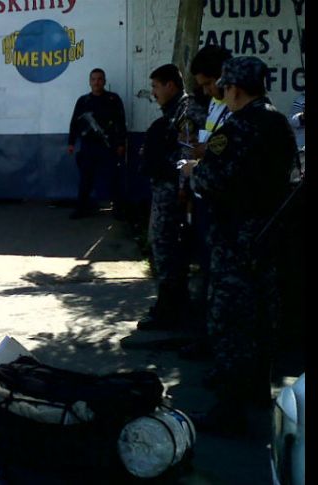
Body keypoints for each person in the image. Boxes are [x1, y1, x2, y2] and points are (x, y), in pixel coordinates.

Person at [182, 56, 298, 434]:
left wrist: (193, 172)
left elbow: (212, 180)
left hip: (235, 241)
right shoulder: (278, 123)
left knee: (230, 322)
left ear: (234, 89)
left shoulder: (236, 127)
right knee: (263, 317)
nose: (222, 94)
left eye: (224, 88)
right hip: (271, 238)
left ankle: (229, 412)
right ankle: (259, 392)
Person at [177, 45, 234, 360]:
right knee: (206, 272)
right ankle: (206, 336)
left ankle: (217, 343)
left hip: (223, 207)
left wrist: (205, 152)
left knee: (220, 279)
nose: (207, 91)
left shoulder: (240, 109)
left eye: (210, 83)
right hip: (204, 197)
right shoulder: (215, 103)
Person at [136, 64, 195, 331]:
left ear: (170, 85)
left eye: (156, 86)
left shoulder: (185, 111)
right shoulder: (174, 111)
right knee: (162, 249)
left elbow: (186, 153)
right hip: (165, 191)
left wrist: (182, 188)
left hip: (173, 194)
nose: (153, 92)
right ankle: (169, 306)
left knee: (167, 250)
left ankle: (171, 311)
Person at [67, 68, 127, 219]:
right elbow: (74, 123)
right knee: (85, 179)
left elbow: (121, 122)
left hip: (108, 146)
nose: (96, 82)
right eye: (93, 79)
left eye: (100, 79)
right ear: (89, 82)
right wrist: (71, 142)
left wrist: (121, 143)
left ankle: (118, 209)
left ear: (104, 81)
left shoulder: (113, 99)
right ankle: (82, 209)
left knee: (113, 178)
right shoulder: (83, 101)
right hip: (88, 146)